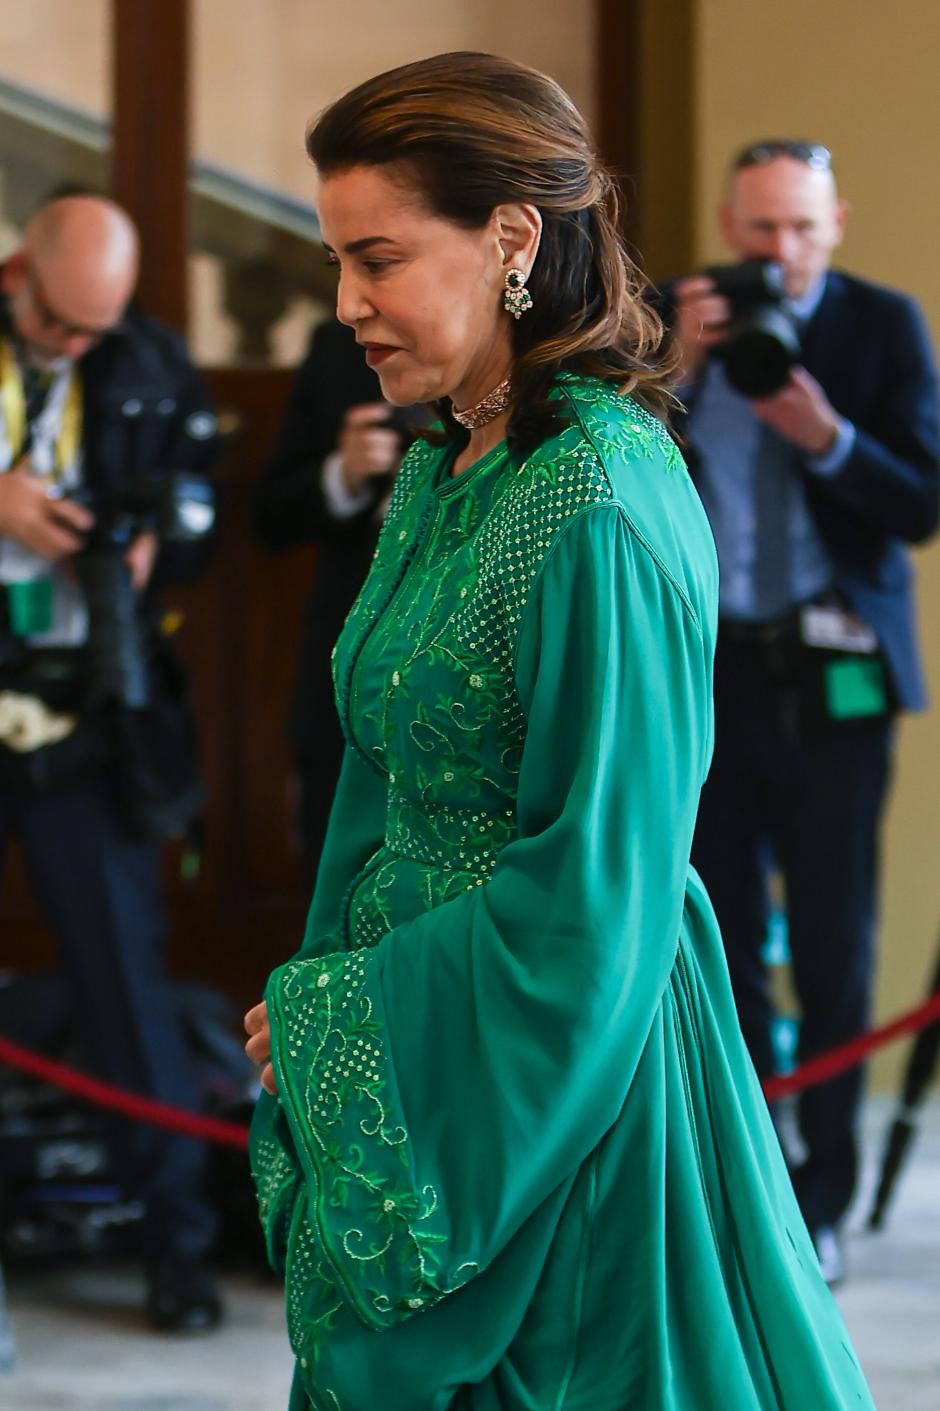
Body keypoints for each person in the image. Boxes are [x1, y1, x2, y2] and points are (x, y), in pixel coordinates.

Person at [245, 55, 877, 1411]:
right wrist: (326, 989)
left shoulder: (602, 500)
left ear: (512, 238)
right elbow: (382, 774)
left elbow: (600, 888)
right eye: (338, 260)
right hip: (428, 1043)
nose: (347, 302)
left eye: (378, 259)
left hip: (557, 1089)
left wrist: (351, 1013)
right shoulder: (448, 463)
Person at [669, 139, 940, 1283]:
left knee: (835, 945)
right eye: (760, 230)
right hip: (712, 671)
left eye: (801, 230)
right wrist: (673, 368)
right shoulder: (683, 321)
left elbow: (922, 501)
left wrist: (823, 436)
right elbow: (604, 469)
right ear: (730, 226)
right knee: (719, 941)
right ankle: (745, 1175)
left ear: (836, 225)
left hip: (835, 675)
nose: (779, 255)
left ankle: (820, 1198)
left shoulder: (883, 326)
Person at [0, 196, 223, 1330]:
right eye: (60, 324)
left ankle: (176, 1250)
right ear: (14, 274)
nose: (79, 346)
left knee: (126, 985)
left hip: (87, 711)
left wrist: (153, 544)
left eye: (100, 327)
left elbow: (204, 511)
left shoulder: (148, 359)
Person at [252, 317, 409, 884]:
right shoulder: (338, 346)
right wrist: (341, 474)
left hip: (469, 694)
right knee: (332, 877)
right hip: (343, 674)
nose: (352, 301)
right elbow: (269, 515)